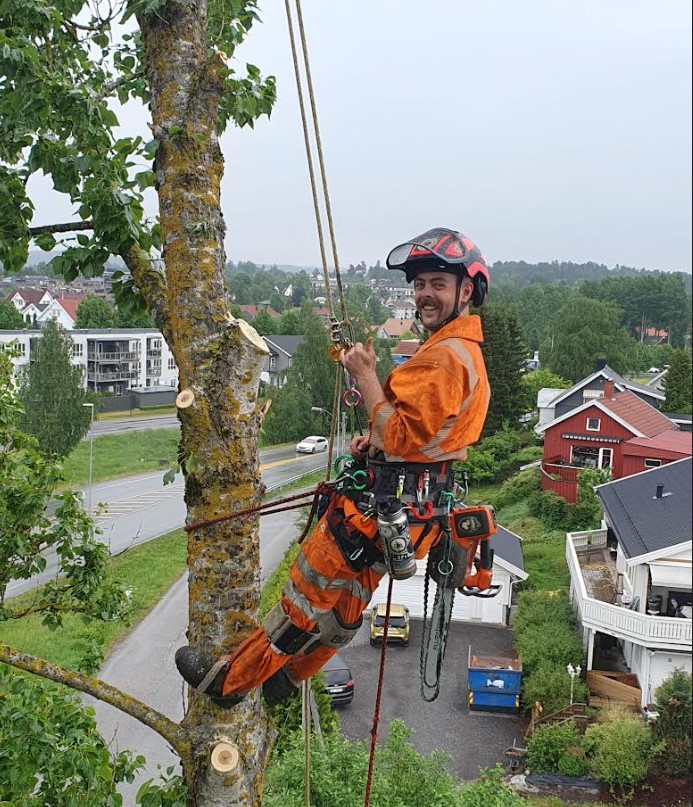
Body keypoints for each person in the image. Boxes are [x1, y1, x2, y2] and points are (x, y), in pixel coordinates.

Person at [175, 227, 491, 708]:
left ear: (465, 291)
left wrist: (365, 376)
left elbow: (401, 435)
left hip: (374, 513)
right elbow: (420, 439)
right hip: (410, 511)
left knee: (304, 598)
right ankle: (288, 680)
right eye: (420, 284)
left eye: (437, 285)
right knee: (346, 608)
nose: (425, 294)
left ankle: (227, 683)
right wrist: (377, 449)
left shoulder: (446, 358)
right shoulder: (462, 352)